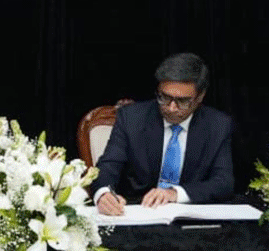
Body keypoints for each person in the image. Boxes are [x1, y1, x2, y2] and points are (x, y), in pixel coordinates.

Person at [92, 52, 234, 215]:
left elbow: (223, 182)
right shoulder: (131, 118)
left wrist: (174, 194)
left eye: (182, 101)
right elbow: (108, 166)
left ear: (200, 97)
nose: (171, 108)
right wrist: (103, 194)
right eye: (165, 98)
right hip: (136, 212)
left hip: (188, 216)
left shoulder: (217, 125)